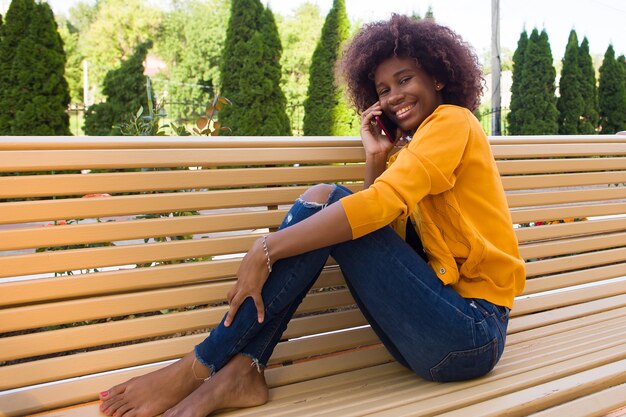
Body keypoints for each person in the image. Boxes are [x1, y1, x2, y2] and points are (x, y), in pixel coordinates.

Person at [98, 15, 525, 417]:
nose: (393, 96)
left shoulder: (454, 121)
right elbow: (387, 240)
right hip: (429, 338)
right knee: (326, 202)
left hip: (471, 332)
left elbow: (375, 208)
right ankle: (241, 368)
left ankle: (202, 364)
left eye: (404, 79)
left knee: (328, 199)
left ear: (438, 76)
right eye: (382, 90)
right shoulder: (406, 155)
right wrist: (376, 158)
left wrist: (265, 248)